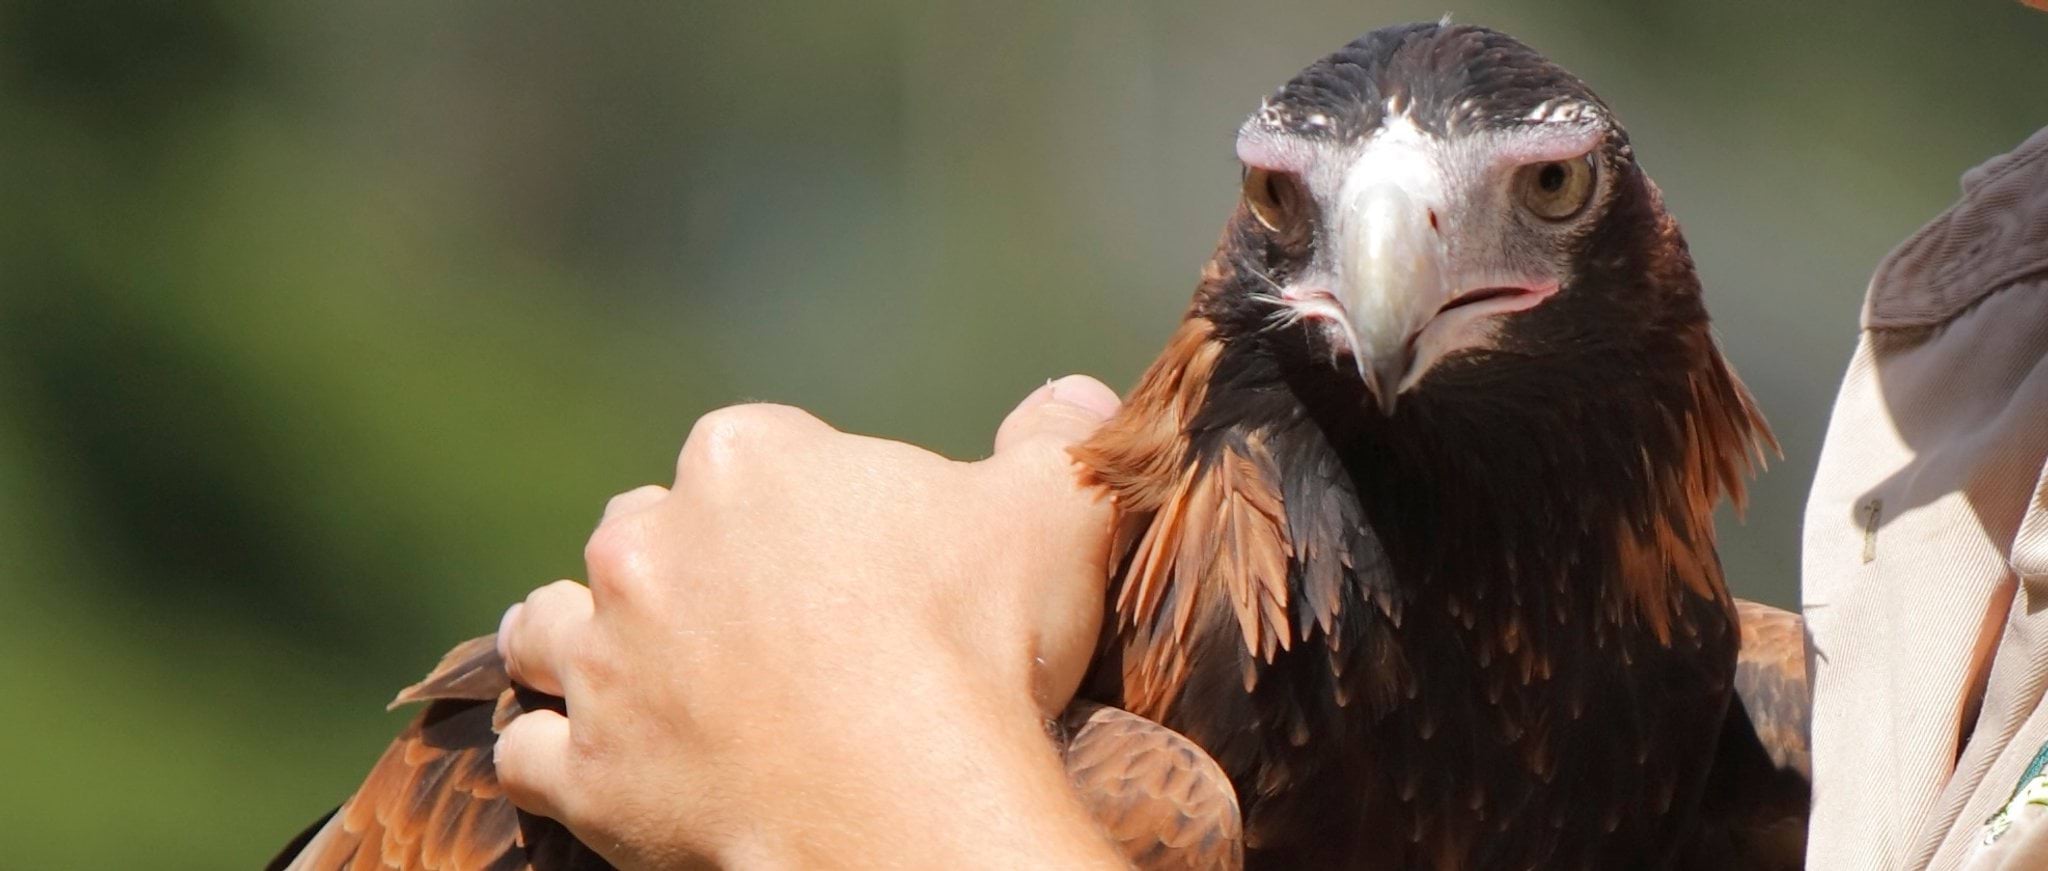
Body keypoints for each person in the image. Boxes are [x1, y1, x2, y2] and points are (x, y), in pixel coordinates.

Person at [491, 133, 2048, 871]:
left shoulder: (1751, 748)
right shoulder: (1984, 388)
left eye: (1550, 188)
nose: (1392, 249)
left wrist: (872, 783)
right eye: (1285, 207)